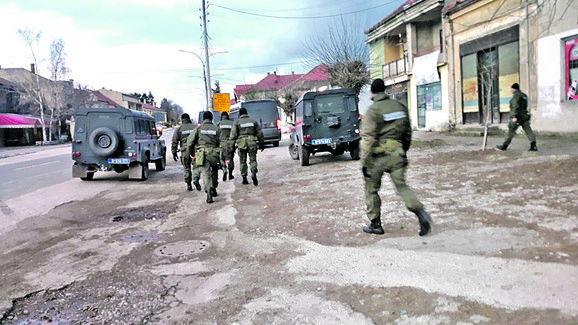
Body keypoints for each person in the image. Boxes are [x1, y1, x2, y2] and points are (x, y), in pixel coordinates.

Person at [360, 78, 432, 236]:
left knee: (371, 189)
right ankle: (421, 213)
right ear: (384, 90)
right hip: (397, 153)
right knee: (402, 186)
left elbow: (368, 140)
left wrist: (365, 163)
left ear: (372, 92)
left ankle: (375, 224)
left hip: (378, 157)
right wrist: (403, 150)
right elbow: (407, 132)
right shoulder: (400, 106)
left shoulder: (373, 111)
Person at [186, 111, 221, 203]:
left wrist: (192, 154)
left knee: (206, 173)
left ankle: (208, 192)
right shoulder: (217, 129)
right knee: (214, 170)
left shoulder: (198, 129)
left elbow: (190, 143)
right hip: (214, 153)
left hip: (202, 154)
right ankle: (214, 187)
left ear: (203, 119)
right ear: (211, 118)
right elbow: (223, 143)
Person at [496, 83, 537, 151]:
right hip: (524, 116)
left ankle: (504, 146)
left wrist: (513, 116)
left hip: (518, 117)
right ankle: (533, 145)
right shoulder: (524, 96)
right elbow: (528, 106)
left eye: (511, 89)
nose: (511, 90)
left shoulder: (516, 96)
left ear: (514, 89)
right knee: (528, 131)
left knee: (511, 130)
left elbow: (515, 106)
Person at [230, 107, 264, 186]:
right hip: (252, 142)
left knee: (242, 161)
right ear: (246, 113)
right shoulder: (253, 121)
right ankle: (253, 171)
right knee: (253, 159)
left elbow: (233, 136)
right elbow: (259, 133)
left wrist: (232, 146)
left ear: (240, 114)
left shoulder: (237, 122)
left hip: (242, 144)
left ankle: (244, 178)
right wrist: (262, 143)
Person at [171, 113, 197, 191]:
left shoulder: (179, 129)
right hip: (194, 151)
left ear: (182, 120)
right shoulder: (195, 128)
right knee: (196, 166)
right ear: (189, 119)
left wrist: (174, 153)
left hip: (185, 151)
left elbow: (174, 142)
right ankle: (195, 178)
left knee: (186, 167)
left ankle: (189, 184)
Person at [217, 111, 235, 181]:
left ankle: (224, 168)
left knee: (221, 159)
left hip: (221, 144)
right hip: (230, 144)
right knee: (230, 159)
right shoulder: (232, 124)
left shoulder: (218, 124)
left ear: (221, 117)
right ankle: (230, 174)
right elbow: (235, 134)